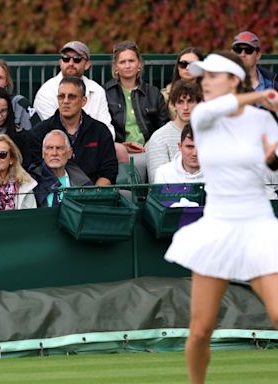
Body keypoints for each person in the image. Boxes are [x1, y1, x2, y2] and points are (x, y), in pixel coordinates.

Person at [163, 52, 278, 384]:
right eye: (204, 77)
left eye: (213, 76)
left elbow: (272, 161)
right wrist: (263, 95)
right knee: (200, 331)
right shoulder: (202, 116)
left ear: (234, 80)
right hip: (218, 226)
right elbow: (217, 108)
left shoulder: (263, 121)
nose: (205, 82)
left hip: (259, 225)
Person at [31, 76, 118, 186]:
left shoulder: (100, 131)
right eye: (61, 96)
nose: (66, 101)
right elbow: (34, 169)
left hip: (92, 195)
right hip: (50, 194)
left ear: (83, 101)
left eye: (72, 97)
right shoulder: (40, 132)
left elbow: (109, 170)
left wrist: (95, 194)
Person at [103, 40, 169, 181]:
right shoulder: (105, 93)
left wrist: (151, 145)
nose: (127, 66)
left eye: (131, 61)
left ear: (139, 64)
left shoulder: (153, 93)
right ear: (116, 67)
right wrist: (120, 146)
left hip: (150, 148)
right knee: (135, 166)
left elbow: (163, 125)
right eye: (122, 62)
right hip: (119, 150)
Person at [34, 41, 115, 139]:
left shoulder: (97, 90)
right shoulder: (46, 91)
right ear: (60, 63)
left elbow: (108, 130)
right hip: (57, 149)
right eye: (66, 59)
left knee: (120, 150)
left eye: (77, 59)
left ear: (87, 64)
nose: (71, 63)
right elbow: (50, 132)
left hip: (94, 147)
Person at [146, 80, 202, 183]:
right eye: (180, 102)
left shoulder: (209, 134)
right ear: (173, 105)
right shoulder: (159, 137)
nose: (185, 107)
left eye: (190, 101)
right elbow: (158, 181)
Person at [31, 129, 92, 207]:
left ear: (69, 153)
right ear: (43, 154)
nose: (54, 153)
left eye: (59, 148)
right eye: (49, 148)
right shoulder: (33, 182)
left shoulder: (83, 183)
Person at [161, 47, 204, 119]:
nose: (187, 68)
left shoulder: (211, 93)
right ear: (178, 67)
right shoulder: (165, 95)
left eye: (193, 65)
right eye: (183, 64)